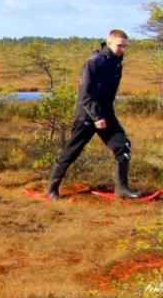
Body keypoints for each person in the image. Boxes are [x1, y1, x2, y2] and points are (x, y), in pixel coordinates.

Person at [46, 30, 140, 200]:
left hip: (106, 114)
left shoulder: (116, 62)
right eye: (119, 46)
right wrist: (97, 117)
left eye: (125, 46)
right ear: (109, 43)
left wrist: (104, 115)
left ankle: (122, 190)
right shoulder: (94, 62)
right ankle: (52, 189)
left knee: (123, 146)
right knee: (71, 151)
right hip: (88, 116)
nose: (122, 49)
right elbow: (86, 95)